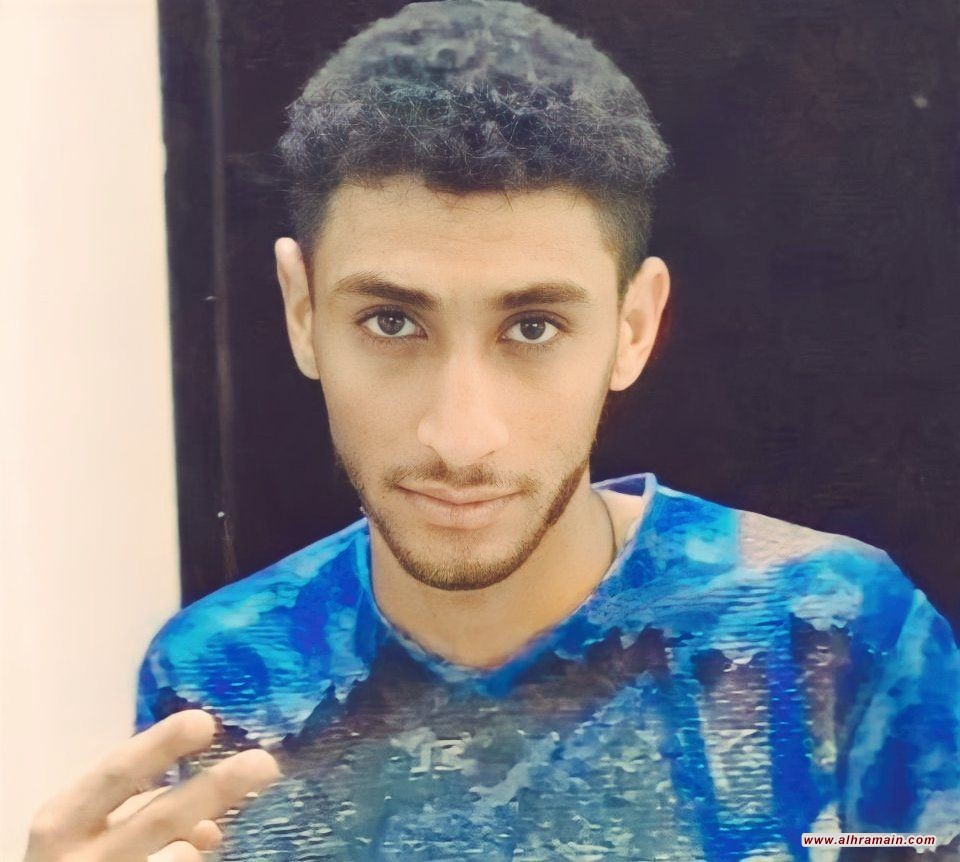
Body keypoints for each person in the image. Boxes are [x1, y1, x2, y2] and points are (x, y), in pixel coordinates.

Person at [25, 2, 960, 860]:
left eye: (533, 328)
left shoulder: (836, 633)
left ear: (633, 328)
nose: (459, 436)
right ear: (303, 311)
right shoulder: (219, 678)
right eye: (392, 321)